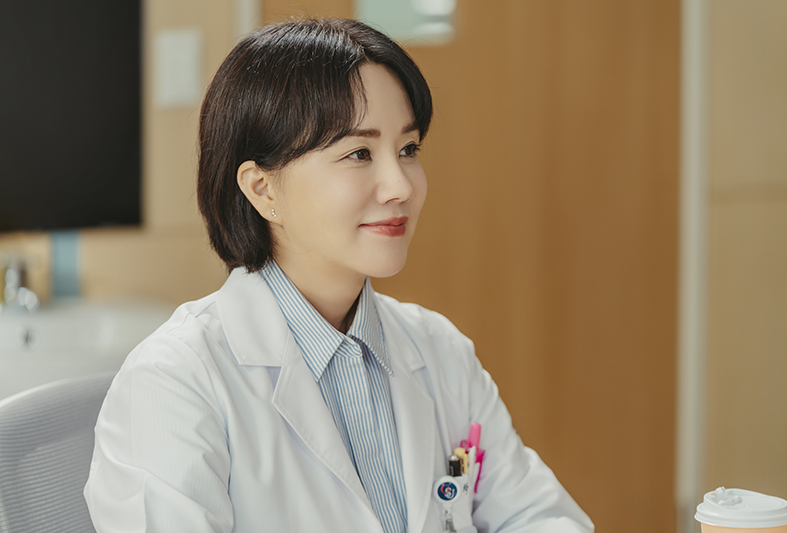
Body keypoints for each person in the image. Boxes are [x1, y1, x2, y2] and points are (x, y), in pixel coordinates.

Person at [84, 18, 594, 533]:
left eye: (408, 149)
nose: (400, 186)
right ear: (262, 189)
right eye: (358, 154)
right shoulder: (174, 382)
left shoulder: (438, 350)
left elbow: (539, 517)